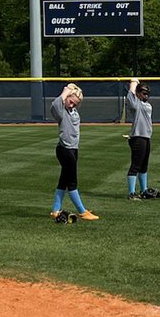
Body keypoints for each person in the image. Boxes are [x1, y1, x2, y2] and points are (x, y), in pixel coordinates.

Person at [50, 83, 99, 220]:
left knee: (63, 181)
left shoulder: (73, 111)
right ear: (67, 98)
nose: (72, 105)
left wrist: (73, 97)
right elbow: (55, 104)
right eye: (71, 102)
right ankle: (82, 211)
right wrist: (65, 92)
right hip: (65, 150)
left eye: (75, 104)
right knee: (72, 182)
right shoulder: (61, 112)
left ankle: (55, 210)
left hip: (73, 150)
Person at [126, 77, 156, 199]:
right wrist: (134, 82)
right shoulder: (136, 104)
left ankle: (144, 190)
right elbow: (130, 96)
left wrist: (137, 85)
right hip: (138, 138)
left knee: (144, 166)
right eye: (143, 93)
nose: (146, 96)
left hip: (146, 137)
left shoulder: (146, 105)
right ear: (138, 94)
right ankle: (131, 193)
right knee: (136, 165)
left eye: (147, 94)